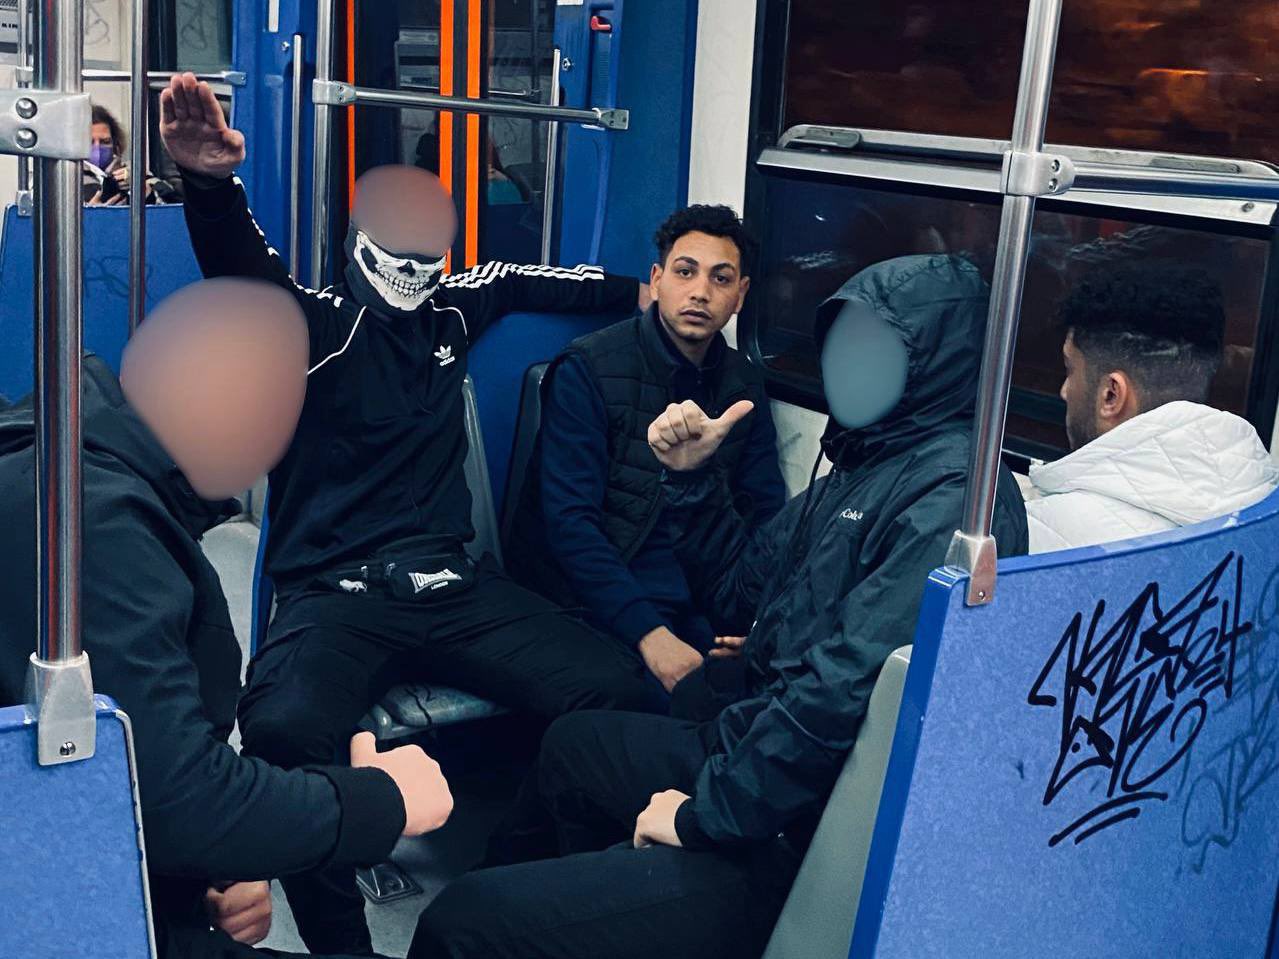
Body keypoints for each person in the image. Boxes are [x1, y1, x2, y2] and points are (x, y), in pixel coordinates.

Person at [158, 72, 660, 954]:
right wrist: (208, 183)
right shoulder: (316, 324)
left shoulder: (455, 308)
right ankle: (344, 943)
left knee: (617, 691)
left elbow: (549, 279)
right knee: (279, 730)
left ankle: (513, 884)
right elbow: (245, 270)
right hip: (335, 590)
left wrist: (650, 292)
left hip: (451, 581)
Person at [408, 254, 1030, 959]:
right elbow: (738, 590)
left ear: (933, 366)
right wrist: (691, 480)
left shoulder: (950, 498)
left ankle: (556, 910)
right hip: (753, 740)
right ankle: (565, 902)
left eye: (876, 351)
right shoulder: (860, 468)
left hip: (791, 827)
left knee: (460, 922)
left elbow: (837, 696)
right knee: (573, 747)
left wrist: (701, 817)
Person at [0, 279, 454, 959]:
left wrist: (210, 870)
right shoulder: (93, 521)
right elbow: (172, 802)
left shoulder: (87, 466)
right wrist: (383, 802)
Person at [507, 205, 785, 695]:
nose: (700, 292)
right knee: (659, 701)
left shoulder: (743, 384)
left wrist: (757, 618)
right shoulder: (589, 368)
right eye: (685, 272)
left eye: (721, 279)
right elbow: (570, 525)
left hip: (699, 596)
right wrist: (649, 635)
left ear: (740, 295)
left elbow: (766, 514)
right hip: (596, 599)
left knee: (764, 691)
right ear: (657, 281)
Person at [1026, 264, 1279, 552]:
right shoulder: (1263, 502)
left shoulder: (1042, 534)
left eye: (1070, 370)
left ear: (1111, 395)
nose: (1064, 390)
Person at [85, 103, 178, 205]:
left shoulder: (135, 172)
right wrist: (91, 211)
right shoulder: (73, 181)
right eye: (90, 142)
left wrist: (145, 191)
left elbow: (173, 204)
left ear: (115, 144)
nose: (97, 148)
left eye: (105, 142)